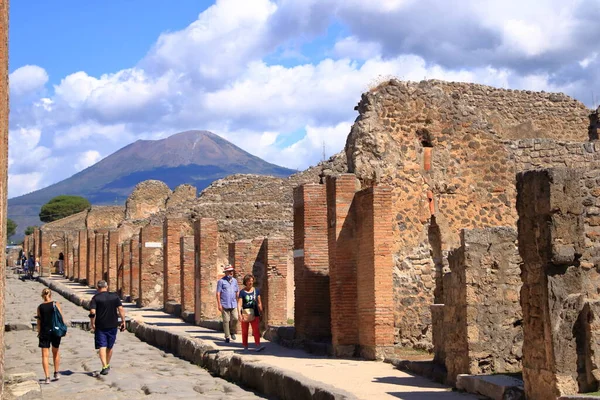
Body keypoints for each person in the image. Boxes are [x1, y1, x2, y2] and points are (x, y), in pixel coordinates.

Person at [89, 280, 126, 375]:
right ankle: (106, 364)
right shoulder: (114, 296)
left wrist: (92, 323)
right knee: (109, 346)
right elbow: (121, 309)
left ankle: (105, 365)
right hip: (113, 324)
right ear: (107, 286)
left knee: (102, 345)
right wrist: (123, 321)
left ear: (98, 288)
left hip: (100, 325)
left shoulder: (95, 298)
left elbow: (92, 312)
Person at [36, 288, 65, 384]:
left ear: (42, 295)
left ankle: (47, 377)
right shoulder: (55, 304)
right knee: (55, 351)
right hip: (55, 331)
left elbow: (39, 322)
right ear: (51, 295)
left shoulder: (40, 307)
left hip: (44, 332)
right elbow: (61, 317)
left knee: (45, 355)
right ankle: (56, 372)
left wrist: (39, 332)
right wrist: (63, 328)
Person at [237, 274, 264, 352]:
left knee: (256, 330)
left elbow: (259, 303)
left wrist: (261, 312)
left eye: (252, 281)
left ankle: (257, 345)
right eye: (249, 281)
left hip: (255, 313)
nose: (251, 282)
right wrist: (239, 314)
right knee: (245, 331)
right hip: (245, 313)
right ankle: (245, 346)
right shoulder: (242, 292)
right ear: (245, 282)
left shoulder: (256, 291)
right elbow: (239, 304)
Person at [216, 265, 239, 343]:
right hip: (225, 303)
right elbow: (218, 293)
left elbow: (237, 291)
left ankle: (232, 331)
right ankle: (227, 336)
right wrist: (219, 304)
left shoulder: (235, 281)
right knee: (226, 320)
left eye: (232, 271)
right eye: (229, 271)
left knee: (236, 318)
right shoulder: (221, 281)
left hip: (233, 303)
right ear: (225, 273)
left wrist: (239, 301)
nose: (231, 272)